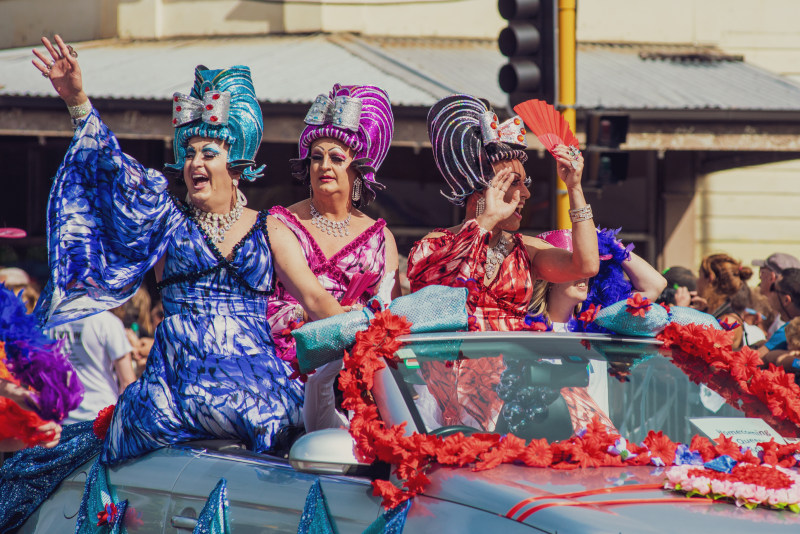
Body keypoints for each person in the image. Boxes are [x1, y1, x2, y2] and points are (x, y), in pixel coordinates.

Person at [31, 35, 345, 463]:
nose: (195, 163)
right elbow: (110, 166)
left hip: (258, 386)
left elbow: (314, 299)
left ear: (235, 168)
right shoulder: (165, 218)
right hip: (176, 386)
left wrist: (378, 331)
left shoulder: (270, 226)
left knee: (287, 426)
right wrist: (77, 99)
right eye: (190, 153)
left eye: (209, 153)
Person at [407, 94, 599, 331]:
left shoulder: (527, 252)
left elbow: (587, 266)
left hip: (511, 367)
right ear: (481, 188)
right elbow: (446, 289)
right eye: (514, 182)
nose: (526, 194)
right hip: (446, 366)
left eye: (525, 183)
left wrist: (574, 188)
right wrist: (486, 222)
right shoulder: (433, 246)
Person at [47, 311, 136, 424]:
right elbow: (128, 382)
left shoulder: (51, 321)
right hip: (101, 416)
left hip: (62, 416)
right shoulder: (106, 321)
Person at [692, 253, 753, 350]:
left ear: (710, 279)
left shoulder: (729, 322)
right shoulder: (709, 311)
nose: (697, 281)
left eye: (700, 275)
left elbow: (707, 354)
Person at [752, 252, 800, 338]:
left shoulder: (788, 325)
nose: (760, 277)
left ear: (772, 277)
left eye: (762, 272)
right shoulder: (781, 314)